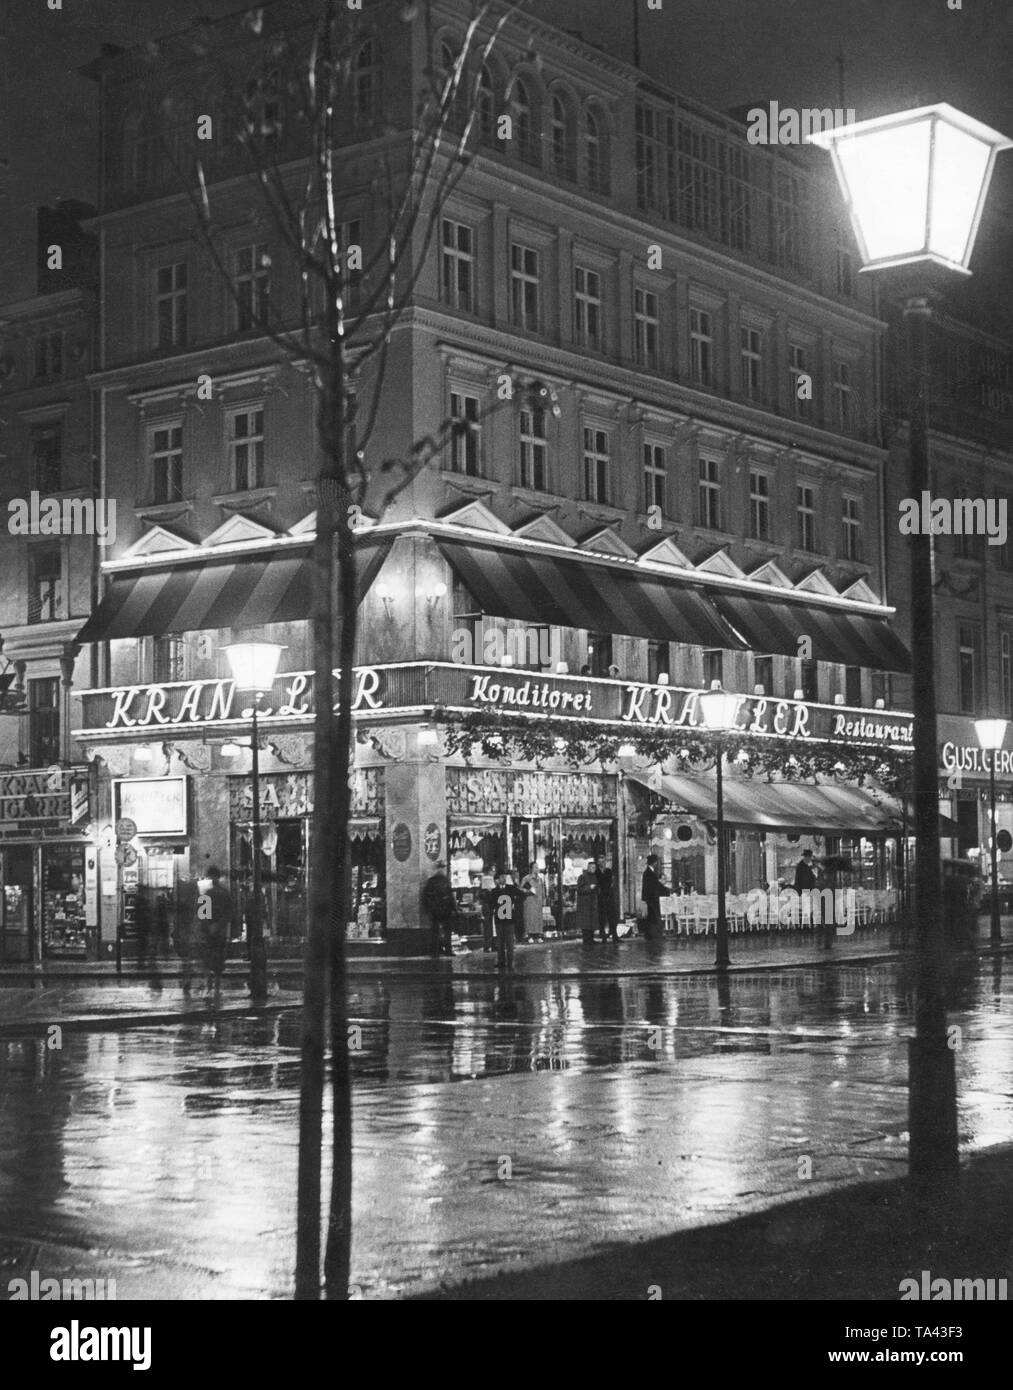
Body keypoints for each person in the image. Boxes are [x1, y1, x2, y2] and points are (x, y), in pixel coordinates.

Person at [199, 865, 232, 994]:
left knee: (208, 960)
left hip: (209, 931)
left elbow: (201, 914)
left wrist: (208, 926)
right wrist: (219, 925)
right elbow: (229, 913)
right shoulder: (225, 893)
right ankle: (216, 988)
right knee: (218, 961)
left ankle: (209, 987)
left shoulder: (206, 893)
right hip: (220, 931)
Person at [422, 862, 457, 957]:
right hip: (443, 909)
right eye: (441, 868)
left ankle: (436, 951)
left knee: (437, 931)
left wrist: (428, 909)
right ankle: (445, 950)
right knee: (443, 931)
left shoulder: (433, 881)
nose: (442, 870)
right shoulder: (444, 881)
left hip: (437, 909)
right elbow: (450, 896)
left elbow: (426, 896)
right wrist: (454, 908)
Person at [492, 869, 523, 970]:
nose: (503, 879)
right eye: (501, 877)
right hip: (500, 919)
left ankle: (509, 961)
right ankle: (501, 961)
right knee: (500, 941)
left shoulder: (510, 888)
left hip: (508, 918)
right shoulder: (495, 891)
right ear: (497, 879)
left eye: (504, 877)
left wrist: (514, 902)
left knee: (509, 942)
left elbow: (521, 895)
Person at [641, 854, 670, 942]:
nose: (657, 864)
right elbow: (653, 886)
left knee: (652, 916)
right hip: (652, 898)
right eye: (656, 862)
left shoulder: (649, 872)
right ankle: (654, 935)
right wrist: (665, 889)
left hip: (651, 897)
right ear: (654, 862)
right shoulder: (649, 873)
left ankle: (650, 935)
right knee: (654, 916)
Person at [595, 857, 619, 943]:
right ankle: (603, 936)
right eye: (600, 861)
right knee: (602, 917)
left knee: (612, 916)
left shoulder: (608, 871)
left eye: (604, 861)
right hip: (601, 897)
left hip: (609, 895)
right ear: (598, 863)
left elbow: (611, 882)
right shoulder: (596, 872)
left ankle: (614, 935)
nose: (602, 863)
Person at [575, 862, 599, 944]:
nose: (593, 869)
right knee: (586, 923)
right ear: (588, 868)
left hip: (593, 903)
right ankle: (586, 939)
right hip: (585, 903)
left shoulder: (596, 877)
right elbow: (579, 889)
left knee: (592, 922)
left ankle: (591, 939)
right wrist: (589, 887)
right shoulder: (582, 877)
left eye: (594, 868)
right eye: (591, 867)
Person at [520, 868, 544, 941]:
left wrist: (543, 898)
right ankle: (529, 935)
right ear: (531, 869)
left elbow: (542, 890)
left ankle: (538, 934)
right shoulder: (526, 878)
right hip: (529, 900)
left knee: (538, 918)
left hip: (538, 901)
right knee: (530, 917)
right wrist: (528, 891)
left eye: (537, 867)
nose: (537, 869)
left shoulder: (540, 879)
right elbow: (521, 889)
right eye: (535, 867)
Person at [479, 871, 496, 953]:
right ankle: (488, 946)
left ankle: (492, 945)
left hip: (490, 908)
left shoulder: (486, 889)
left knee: (491, 927)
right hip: (488, 908)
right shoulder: (485, 890)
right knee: (488, 927)